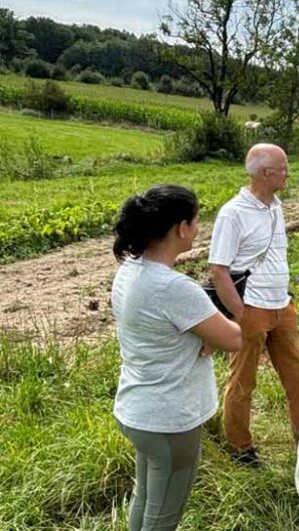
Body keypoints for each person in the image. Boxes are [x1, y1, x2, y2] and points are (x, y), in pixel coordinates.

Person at [111, 185, 241, 531]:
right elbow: (234, 338)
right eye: (197, 220)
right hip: (170, 420)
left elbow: (165, 331)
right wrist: (218, 326)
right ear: (181, 228)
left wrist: (201, 333)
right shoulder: (175, 288)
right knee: (163, 518)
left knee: (146, 499)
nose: (199, 228)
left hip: (138, 409)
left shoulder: (129, 270)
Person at [209, 143, 299, 468]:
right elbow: (218, 270)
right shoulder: (233, 213)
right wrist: (241, 314)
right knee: (242, 382)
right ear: (266, 174)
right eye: (283, 167)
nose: (288, 171)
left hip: (282, 307)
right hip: (251, 308)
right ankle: (241, 449)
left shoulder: (276, 206)